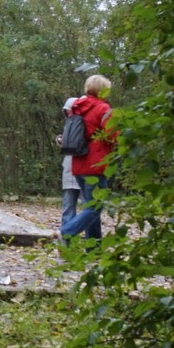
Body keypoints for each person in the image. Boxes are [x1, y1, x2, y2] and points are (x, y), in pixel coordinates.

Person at [60, 73, 117, 242]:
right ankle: (66, 232)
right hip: (96, 164)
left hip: (78, 163)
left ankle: (93, 247)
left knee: (90, 206)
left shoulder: (77, 108)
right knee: (95, 207)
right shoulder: (103, 109)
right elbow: (112, 135)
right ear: (103, 91)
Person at [57, 95, 81, 230]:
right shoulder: (68, 125)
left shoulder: (84, 125)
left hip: (83, 171)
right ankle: (66, 238)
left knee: (88, 209)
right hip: (69, 170)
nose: (68, 113)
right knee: (68, 208)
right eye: (67, 111)